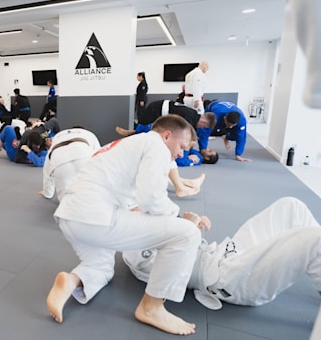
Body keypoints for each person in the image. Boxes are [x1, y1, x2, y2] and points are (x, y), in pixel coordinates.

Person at [46, 115, 206, 336]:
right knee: (186, 234)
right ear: (167, 135)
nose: (181, 154)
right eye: (181, 146)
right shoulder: (155, 144)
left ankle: (72, 281)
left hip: (70, 217)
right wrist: (179, 219)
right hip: (95, 218)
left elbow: (136, 198)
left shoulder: (126, 145)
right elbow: (150, 196)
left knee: (101, 268)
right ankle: (152, 308)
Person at [123, 196, 321, 311]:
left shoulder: (151, 226)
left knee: (291, 206)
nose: (143, 208)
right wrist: (189, 226)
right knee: (315, 240)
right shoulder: (133, 250)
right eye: (136, 208)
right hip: (227, 279)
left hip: (227, 252)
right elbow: (174, 272)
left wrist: (190, 221)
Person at [39, 127, 101, 202]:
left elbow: (47, 170)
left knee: (65, 203)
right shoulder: (89, 133)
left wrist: (47, 193)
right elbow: (99, 155)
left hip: (59, 160)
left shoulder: (58, 136)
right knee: (90, 194)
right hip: (83, 155)